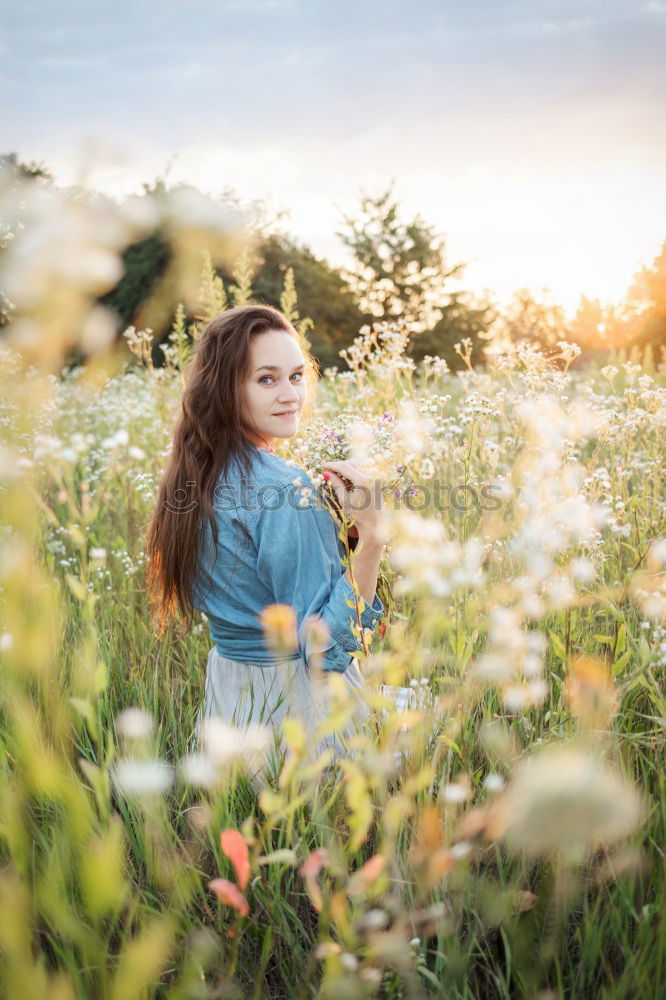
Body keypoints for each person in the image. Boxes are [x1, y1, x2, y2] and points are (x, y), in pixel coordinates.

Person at [145, 304, 386, 788]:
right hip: (303, 728)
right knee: (447, 713)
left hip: (233, 713)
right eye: (267, 380)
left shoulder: (196, 472)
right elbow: (324, 652)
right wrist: (373, 540)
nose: (291, 395)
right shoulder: (286, 488)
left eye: (296, 376)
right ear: (226, 387)